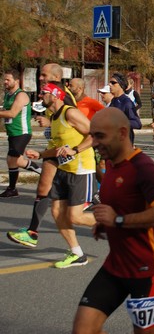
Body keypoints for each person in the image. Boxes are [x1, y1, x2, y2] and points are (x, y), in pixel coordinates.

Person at [72, 108, 154, 334]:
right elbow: (121, 201)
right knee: (83, 329)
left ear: (121, 133)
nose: (94, 142)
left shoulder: (144, 168)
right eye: (92, 135)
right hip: (116, 265)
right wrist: (105, 222)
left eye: (100, 136)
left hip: (148, 270)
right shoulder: (110, 164)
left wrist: (118, 220)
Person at [25, 83, 96, 267]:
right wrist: (40, 154)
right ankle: (77, 254)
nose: (40, 95)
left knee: (75, 217)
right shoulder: (54, 118)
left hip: (81, 169)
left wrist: (75, 150)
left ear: (55, 95)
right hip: (63, 170)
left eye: (44, 92)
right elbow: (57, 148)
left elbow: (95, 134)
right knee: (57, 212)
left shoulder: (69, 113)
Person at [6, 63, 77, 248]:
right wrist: (49, 122)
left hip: (66, 147)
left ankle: (112, 219)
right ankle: (32, 232)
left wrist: (52, 121)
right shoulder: (48, 92)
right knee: (44, 187)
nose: (40, 78)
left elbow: (73, 118)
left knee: (68, 197)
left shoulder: (63, 94)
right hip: (56, 146)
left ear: (55, 76)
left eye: (43, 74)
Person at [0, 69, 42, 197]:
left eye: (8, 80)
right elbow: (5, 110)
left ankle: (12, 189)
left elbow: (12, 113)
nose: (5, 82)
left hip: (22, 133)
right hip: (12, 133)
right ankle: (44, 172)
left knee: (12, 159)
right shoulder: (8, 95)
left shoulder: (21, 95)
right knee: (16, 161)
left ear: (17, 81)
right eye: (4, 79)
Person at [109, 72, 142, 143]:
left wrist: (120, 122)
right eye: (110, 82)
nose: (110, 85)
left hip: (124, 144)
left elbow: (137, 124)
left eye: (113, 83)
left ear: (121, 85)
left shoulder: (126, 102)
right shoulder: (114, 100)